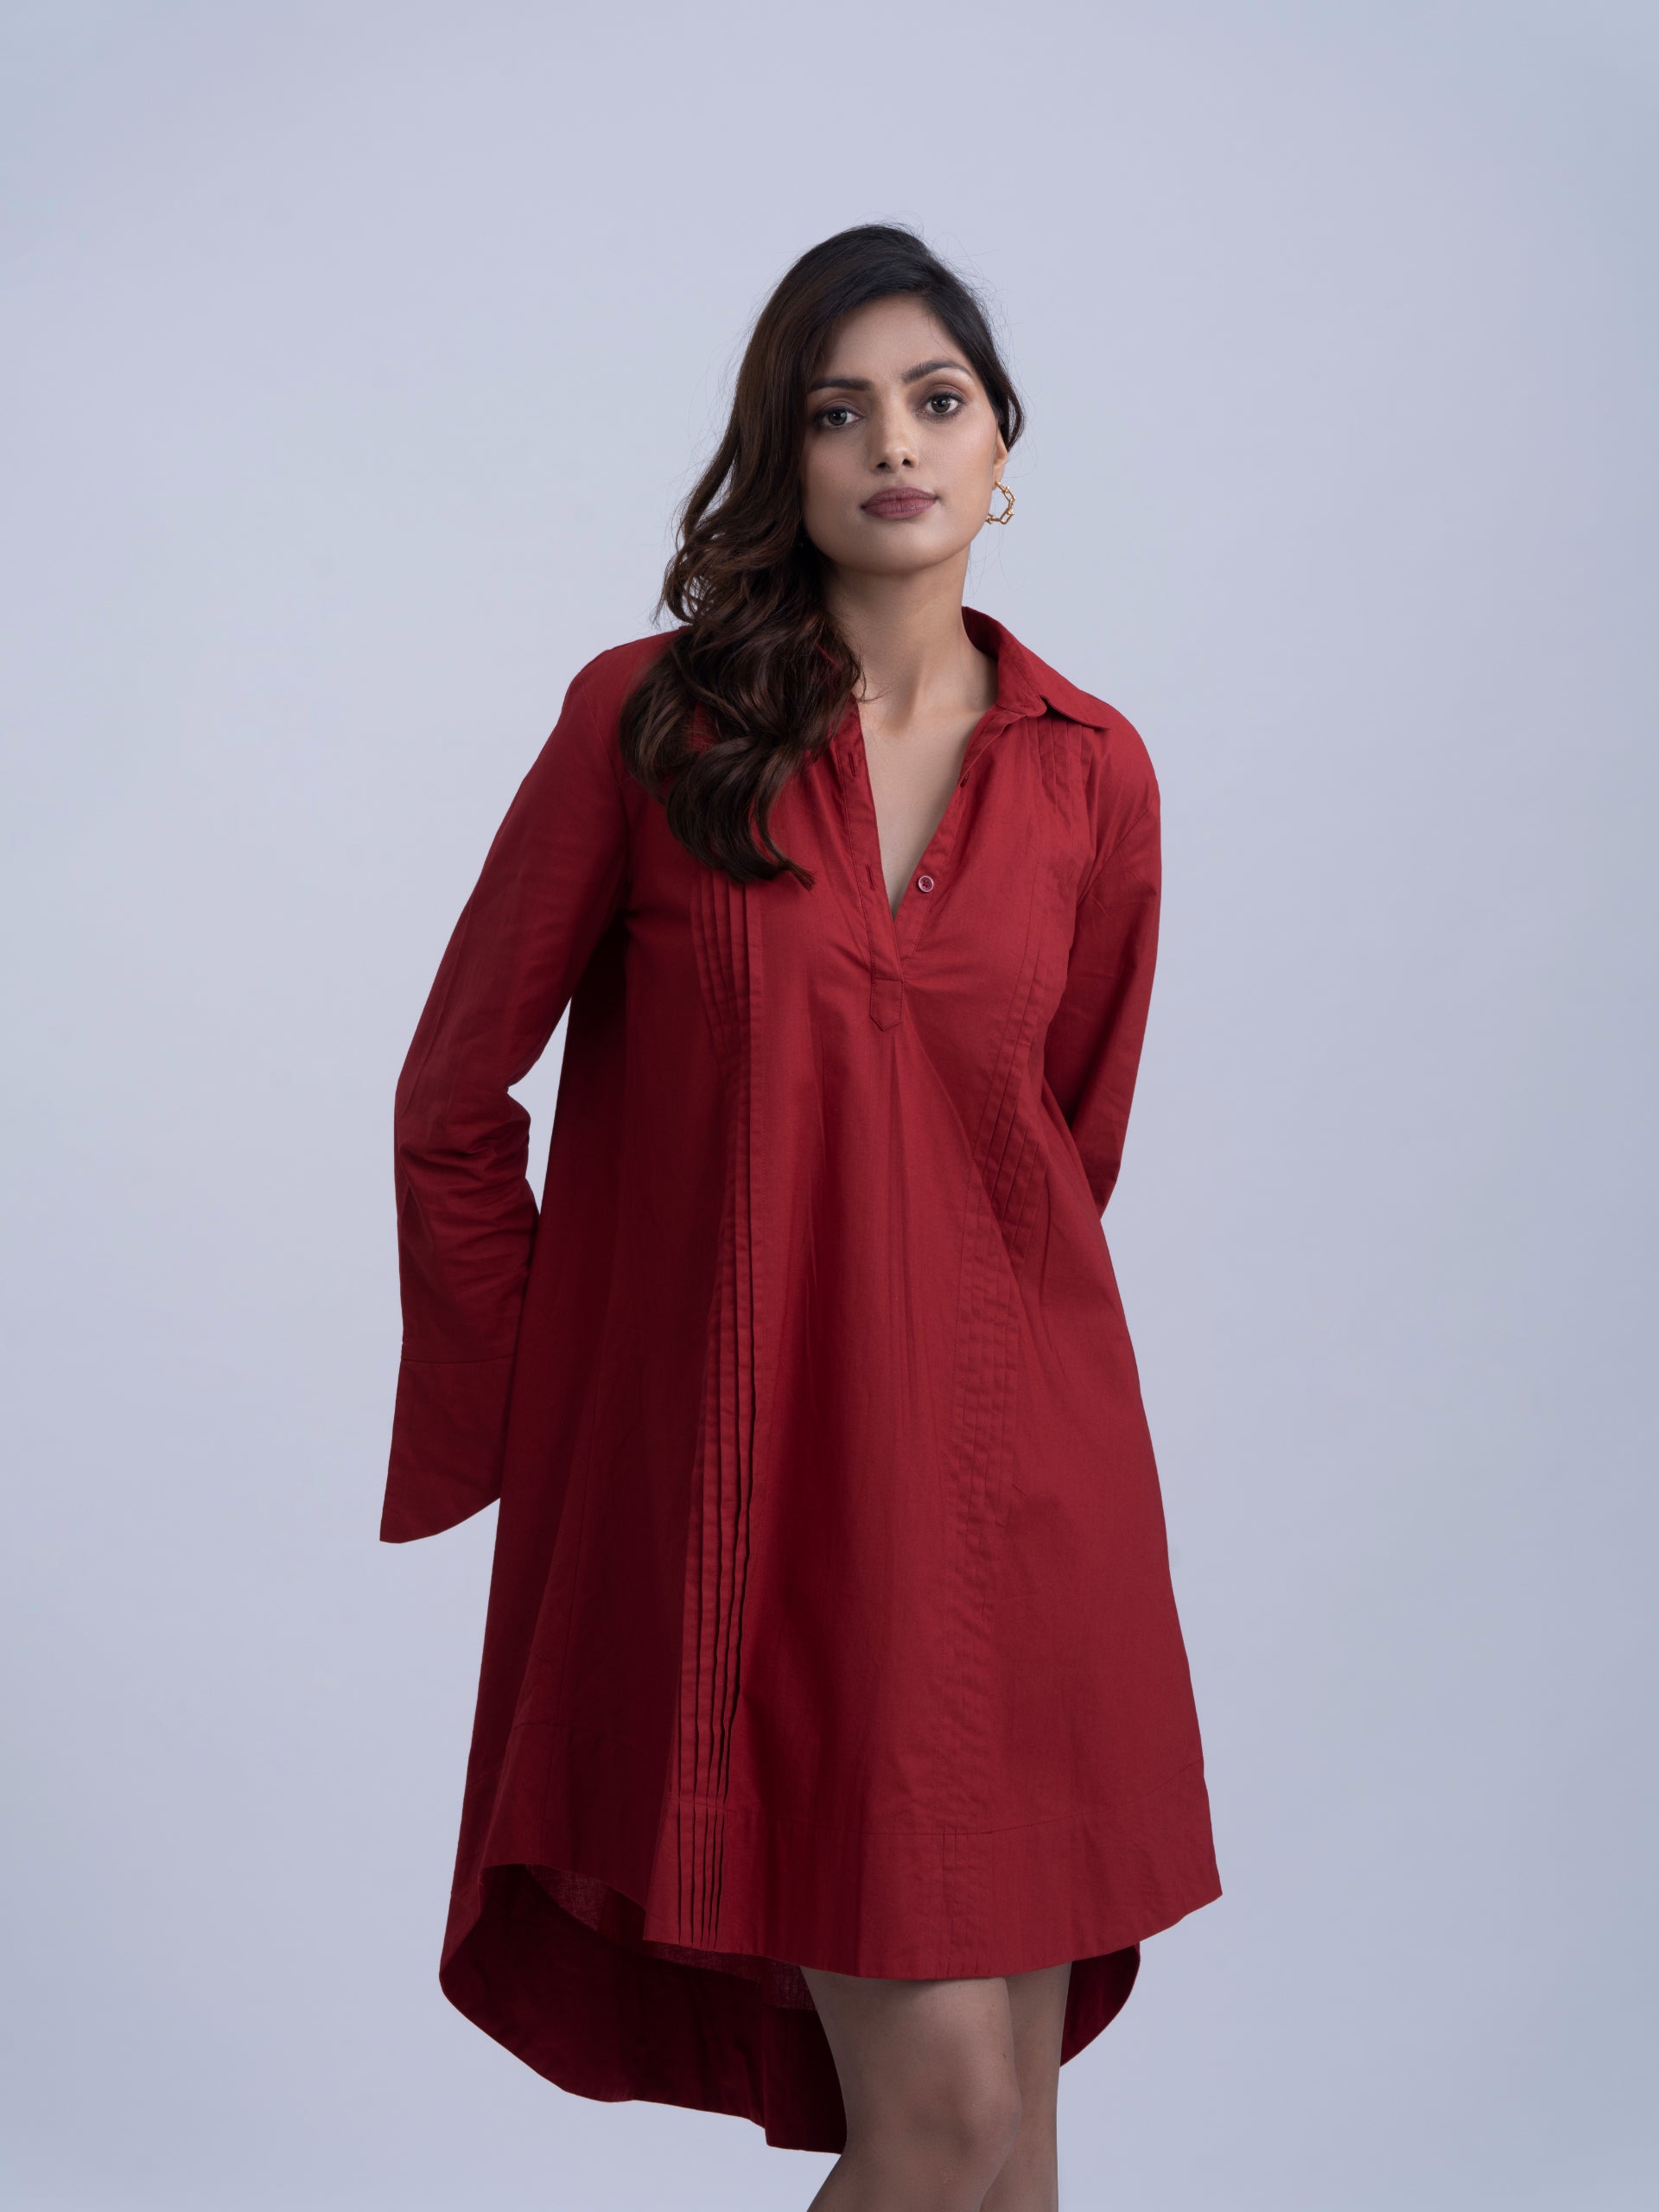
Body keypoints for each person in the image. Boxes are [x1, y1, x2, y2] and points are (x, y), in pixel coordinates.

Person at [381, 221, 1222, 2211]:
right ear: (784, 455)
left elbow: (1059, 1146)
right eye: (839, 412)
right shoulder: (650, 726)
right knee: (943, 2120)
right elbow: (451, 1103)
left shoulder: (1096, 774)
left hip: (1028, 1499)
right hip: (768, 1511)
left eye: (936, 399)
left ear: (1002, 445)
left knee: (1015, 2154)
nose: (894, 444)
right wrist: (563, 1417)